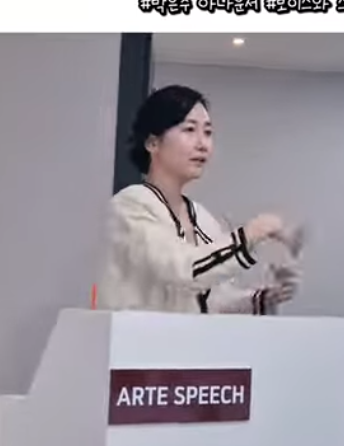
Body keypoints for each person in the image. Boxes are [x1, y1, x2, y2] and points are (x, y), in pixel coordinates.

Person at [98, 85, 303, 314]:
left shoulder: (202, 217)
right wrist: (253, 232)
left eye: (207, 132)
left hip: (182, 338)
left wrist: (264, 299)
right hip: (134, 337)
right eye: (189, 130)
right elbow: (184, 271)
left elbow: (210, 302)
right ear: (152, 143)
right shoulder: (130, 205)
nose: (202, 144)